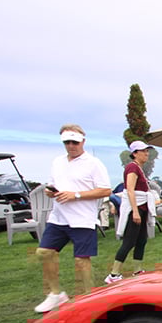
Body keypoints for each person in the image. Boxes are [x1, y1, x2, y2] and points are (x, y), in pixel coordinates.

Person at [33, 125, 112, 313]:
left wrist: (75, 195)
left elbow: (105, 190)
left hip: (82, 218)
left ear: (83, 141)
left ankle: (90, 298)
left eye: (74, 142)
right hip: (58, 217)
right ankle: (56, 294)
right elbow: (53, 184)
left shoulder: (93, 163)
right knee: (44, 252)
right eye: (67, 142)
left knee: (81, 260)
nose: (71, 146)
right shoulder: (58, 162)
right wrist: (50, 192)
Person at [105, 141, 154, 283]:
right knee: (129, 241)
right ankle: (114, 274)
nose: (146, 153)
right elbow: (130, 190)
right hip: (136, 208)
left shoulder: (139, 168)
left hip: (142, 207)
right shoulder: (132, 167)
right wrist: (135, 211)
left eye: (147, 151)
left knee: (141, 240)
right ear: (135, 153)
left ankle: (137, 270)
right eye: (143, 151)